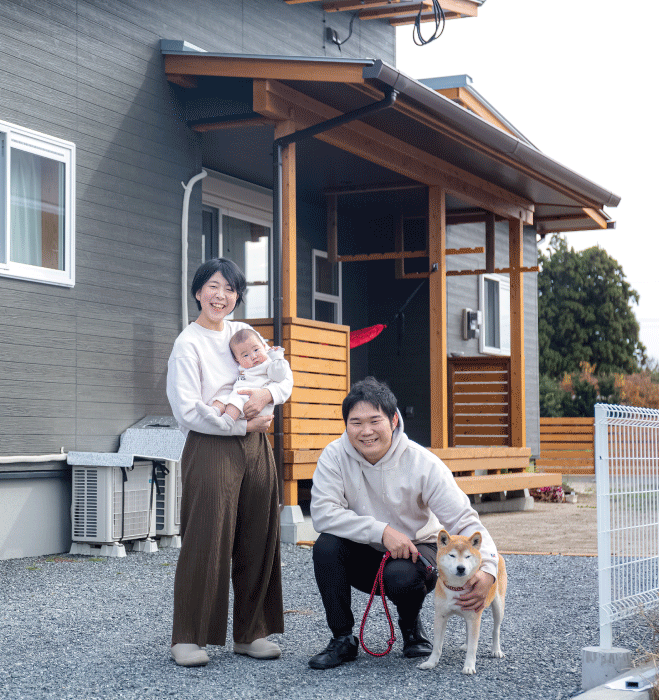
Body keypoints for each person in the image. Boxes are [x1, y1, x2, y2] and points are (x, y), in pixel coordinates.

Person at [306, 377, 500, 670]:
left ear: (394, 420)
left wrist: (488, 570)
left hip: (416, 553)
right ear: (345, 424)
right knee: (326, 547)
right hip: (363, 551)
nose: (366, 431)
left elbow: (464, 519)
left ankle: (412, 631)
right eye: (356, 422)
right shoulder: (334, 456)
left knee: (402, 574)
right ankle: (342, 639)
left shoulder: (422, 462)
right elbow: (322, 513)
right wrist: (381, 531)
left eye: (375, 420)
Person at [165, 258, 293, 667]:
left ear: (237, 296)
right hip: (211, 445)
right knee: (207, 538)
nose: (221, 296)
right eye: (213, 287)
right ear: (199, 291)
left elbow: (279, 372)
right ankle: (188, 636)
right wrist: (241, 425)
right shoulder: (188, 343)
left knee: (259, 535)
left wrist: (269, 397)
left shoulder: (242, 333)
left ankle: (250, 632)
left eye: (230, 289)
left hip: (257, 445)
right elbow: (187, 410)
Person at [203, 329, 292, 431]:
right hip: (242, 397)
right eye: (245, 355)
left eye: (256, 350)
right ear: (237, 360)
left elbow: (280, 376)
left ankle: (227, 422)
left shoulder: (268, 363)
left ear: (264, 347)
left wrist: (277, 358)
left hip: (256, 403)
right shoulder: (244, 368)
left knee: (235, 399)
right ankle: (213, 412)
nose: (253, 356)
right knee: (222, 399)